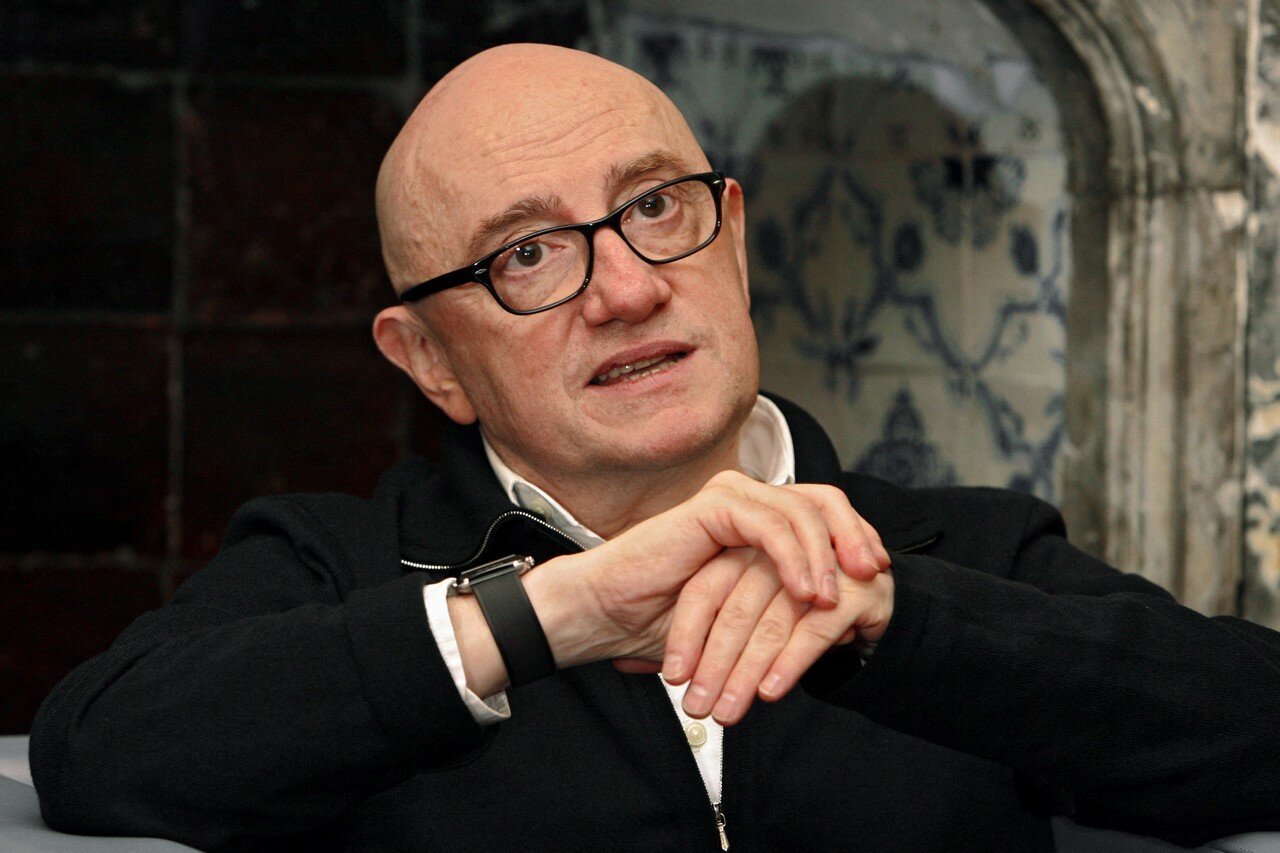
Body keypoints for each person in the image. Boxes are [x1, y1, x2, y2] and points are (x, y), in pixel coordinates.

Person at [29, 43, 1280, 852]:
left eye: (654, 207)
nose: (626, 289)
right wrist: (547, 616)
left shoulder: (960, 550)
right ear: (430, 362)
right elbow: (95, 751)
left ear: (731, 237)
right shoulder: (333, 560)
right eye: (527, 253)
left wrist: (893, 623)